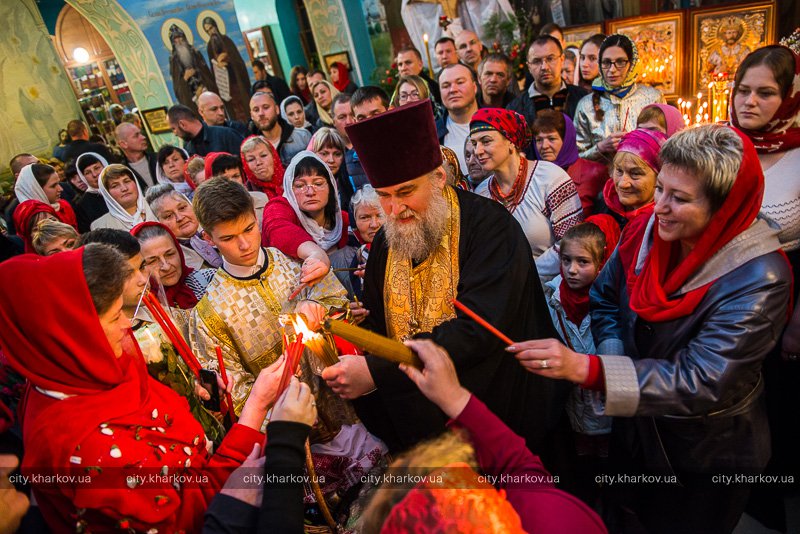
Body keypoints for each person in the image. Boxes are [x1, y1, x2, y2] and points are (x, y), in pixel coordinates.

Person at [510, 124, 789, 533]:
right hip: (637, 429)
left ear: (723, 206)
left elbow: (703, 380)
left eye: (679, 198)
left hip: (703, 448)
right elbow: (606, 296)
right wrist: (612, 353)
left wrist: (591, 370)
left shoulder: (760, 276)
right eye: (661, 189)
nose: (659, 206)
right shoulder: (645, 232)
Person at [326, 100, 569, 454]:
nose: (395, 209)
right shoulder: (385, 239)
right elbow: (379, 323)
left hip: (495, 413)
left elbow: (478, 330)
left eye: (407, 192)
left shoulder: (491, 228)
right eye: (384, 196)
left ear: (438, 178)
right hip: (420, 424)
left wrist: (377, 372)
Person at [0, 244, 285, 533]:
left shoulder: (79, 369)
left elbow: (158, 409)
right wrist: (257, 408)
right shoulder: (88, 451)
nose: (127, 325)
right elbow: (194, 517)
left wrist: (192, 391)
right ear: (67, 336)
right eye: (114, 318)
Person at [359, 339, 607, 533]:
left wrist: (453, 398)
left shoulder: (532, 512)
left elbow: (519, 470)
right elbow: (522, 473)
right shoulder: (549, 521)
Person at [730, 44, 800, 532]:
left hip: (786, 301)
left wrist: (798, 318)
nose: (749, 102)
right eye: (742, 90)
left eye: (766, 93)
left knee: (776, 409)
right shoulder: (721, 146)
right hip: (723, 301)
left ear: (791, 96)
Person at [542, 217, 619, 503]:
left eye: (583, 262)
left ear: (602, 262)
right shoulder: (552, 296)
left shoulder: (611, 303)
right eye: (566, 260)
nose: (572, 270)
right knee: (580, 453)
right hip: (572, 398)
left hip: (605, 398)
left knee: (607, 454)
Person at [471, 108, 583, 278]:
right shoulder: (481, 194)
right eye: (474, 143)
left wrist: (524, 274)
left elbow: (571, 242)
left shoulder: (550, 178)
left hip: (549, 288)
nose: (478, 151)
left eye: (486, 141)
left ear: (510, 142)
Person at [262, 151, 355, 292]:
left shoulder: (342, 220)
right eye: (300, 185)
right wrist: (317, 255)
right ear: (289, 189)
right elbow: (278, 229)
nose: (310, 192)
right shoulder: (278, 207)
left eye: (318, 183)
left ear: (331, 187)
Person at [574, 34, 664, 163]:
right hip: (601, 180)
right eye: (606, 62)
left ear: (632, 63)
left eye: (620, 62)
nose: (612, 70)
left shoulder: (652, 97)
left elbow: (665, 144)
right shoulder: (586, 105)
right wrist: (600, 147)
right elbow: (576, 155)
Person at [507, 36, 589, 160]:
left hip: (578, 173)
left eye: (550, 59)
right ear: (528, 66)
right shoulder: (515, 109)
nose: (544, 67)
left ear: (562, 59)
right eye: (536, 61)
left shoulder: (582, 98)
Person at [532, 110, 609, 216]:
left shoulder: (595, 173)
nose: (544, 146)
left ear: (567, 140)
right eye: (539, 140)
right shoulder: (531, 177)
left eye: (551, 138)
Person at [132, 222, 215, 308]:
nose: (166, 267)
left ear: (179, 251)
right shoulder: (142, 308)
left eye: (170, 254)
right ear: (140, 267)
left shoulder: (210, 280)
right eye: (153, 261)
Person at [599, 128, 666, 229]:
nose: (622, 184)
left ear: (659, 177)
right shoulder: (604, 203)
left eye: (635, 174)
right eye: (619, 171)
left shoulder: (664, 222)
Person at [145, 184, 222, 269]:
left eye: (182, 208)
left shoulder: (218, 230)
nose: (180, 218)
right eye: (168, 215)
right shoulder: (172, 263)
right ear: (159, 223)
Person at [203, 17, 251, 122]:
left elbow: (239, 62)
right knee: (234, 114)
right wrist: (218, 65)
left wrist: (228, 57)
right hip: (225, 87)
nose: (211, 32)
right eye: (208, 31)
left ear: (216, 26)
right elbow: (213, 69)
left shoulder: (226, 40)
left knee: (245, 110)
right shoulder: (210, 47)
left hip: (237, 83)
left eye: (211, 28)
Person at [204, 152, 268, 228]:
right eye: (225, 179)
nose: (232, 182)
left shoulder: (262, 199)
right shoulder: (210, 212)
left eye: (235, 176)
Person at [436, 64, 479, 175]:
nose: (453, 90)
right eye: (446, 86)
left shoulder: (497, 124)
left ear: (475, 87)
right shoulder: (432, 134)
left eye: (460, 82)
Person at [249, 91, 311, 166]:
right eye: (256, 110)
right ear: (251, 115)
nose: (261, 113)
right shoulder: (251, 150)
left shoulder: (302, 137)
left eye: (266, 107)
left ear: (277, 109)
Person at [91, 164, 157, 231]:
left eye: (127, 181)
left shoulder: (156, 206)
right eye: (115, 186)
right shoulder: (100, 226)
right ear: (107, 193)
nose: (124, 188)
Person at [347, 185, 384, 301]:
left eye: (380, 215)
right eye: (365, 217)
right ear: (354, 223)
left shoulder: (406, 249)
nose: (374, 224)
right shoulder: (344, 259)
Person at [14, 163, 77, 230]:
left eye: (58, 183)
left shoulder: (63, 206)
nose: (61, 189)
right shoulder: (30, 220)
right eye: (53, 186)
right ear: (36, 190)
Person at [308, 128, 354, 217]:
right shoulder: (302, 184)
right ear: (313, 154)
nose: (331, 160)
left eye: (337, 154)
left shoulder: (351, 180)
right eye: (324, 154)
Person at [167, 104, 244, 157]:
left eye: (173, 128)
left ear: (182, 124)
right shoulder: (187, 147)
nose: (175, 134)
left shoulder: (226, 135)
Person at [240, 135, 286, 201]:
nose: (258, 162)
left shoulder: (293, 176)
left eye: (263, 155)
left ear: (274, 156)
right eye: (251, 159)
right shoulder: (246, 194)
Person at [73, 152, 110, 232]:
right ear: (83, 177)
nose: (94, 174)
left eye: (97, 168)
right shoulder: (82, 205)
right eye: (88, 172)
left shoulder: (122, 188)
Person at [115, 122, 157, 188]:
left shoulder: (158, 159)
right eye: (136, 136)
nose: (143, 137)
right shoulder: (121, 172)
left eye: (141, 133)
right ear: (123, 144)